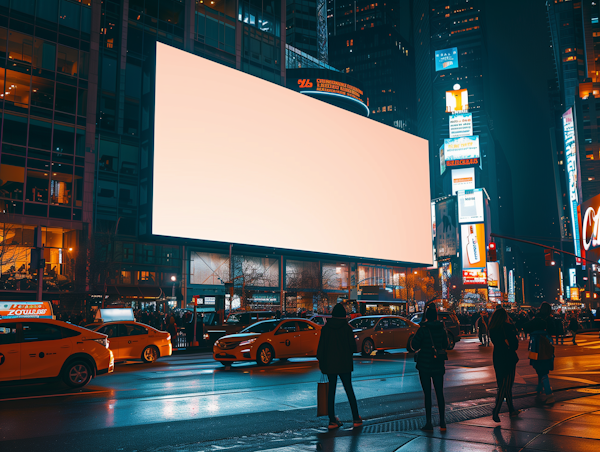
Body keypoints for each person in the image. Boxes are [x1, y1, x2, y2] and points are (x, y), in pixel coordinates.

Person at [316, 303, 362, 430]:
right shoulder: (347, 329)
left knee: (331, 392)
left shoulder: (325, 329)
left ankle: (332, 420)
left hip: (330, 365)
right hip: (345, 364)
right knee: (349, 390)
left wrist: (322, 362)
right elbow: (353, 348)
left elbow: (321, 349)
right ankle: (356, 418)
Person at [411, 304, 449, 432]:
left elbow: (414, 345)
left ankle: (429, 422)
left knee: (427, 394)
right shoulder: (441, 328)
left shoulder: (423, 329)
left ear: (426, 316)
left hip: (424, 365)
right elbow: (446, 345)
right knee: (440, 393)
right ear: (436, 316)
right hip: (438, 364)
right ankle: (442, 422)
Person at [489, 307, 520, 422]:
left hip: (497, 356)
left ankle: (511, 409)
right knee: (506, 386)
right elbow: (514, 345)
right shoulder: (508, 327)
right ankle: (496, 410)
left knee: (502, 383)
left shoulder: (492, 328)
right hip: (508, 357)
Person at [524, 302, 556, 405]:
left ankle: (543, 387)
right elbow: (553, 331)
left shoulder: (537, 318)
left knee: (537, 365)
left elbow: (527, 327)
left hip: (535, 345)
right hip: (546, 345)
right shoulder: (549, 320)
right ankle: (544, 387)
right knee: (545, 367)